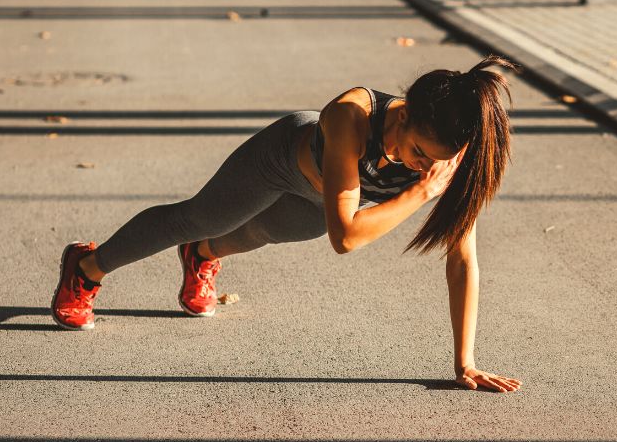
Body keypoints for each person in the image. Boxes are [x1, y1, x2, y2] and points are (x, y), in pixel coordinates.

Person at [51, 55, 522, 393]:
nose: (423, 168)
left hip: (314, 201)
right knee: (197, 217)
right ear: (406, 114)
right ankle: (86, 267)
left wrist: (466, 363)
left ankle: (201, 256)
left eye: (432, 162)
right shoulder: (352, 116)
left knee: (263, 232)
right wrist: (420, 193)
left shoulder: (448, 162)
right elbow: (347, 237)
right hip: (279, 163)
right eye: (418, 153)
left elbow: (463, 260)